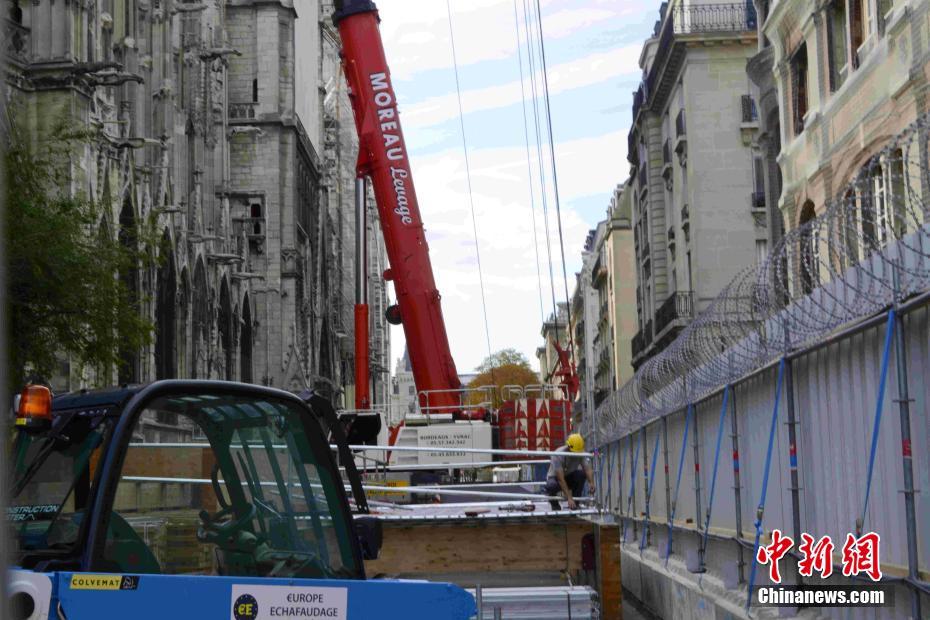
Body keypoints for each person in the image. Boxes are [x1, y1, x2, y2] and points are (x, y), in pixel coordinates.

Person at [544, 433, 594, 510]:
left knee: (581, 475)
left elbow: (587, 468)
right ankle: (554, 504)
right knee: (551, 486)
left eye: (578, 452)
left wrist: (591, 482)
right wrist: (569, 498)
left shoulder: (580, 451)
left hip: (568, 476)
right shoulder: (558, 454)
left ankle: (575, 503)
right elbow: (560, 479)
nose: (576, 454)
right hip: (556, 478)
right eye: (574, 452)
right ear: (568, 447)